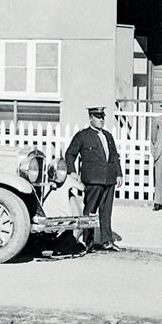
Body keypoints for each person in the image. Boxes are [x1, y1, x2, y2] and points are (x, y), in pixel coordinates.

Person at [64, 106, 123, 249]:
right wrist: (72, 172)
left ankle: (107, 241)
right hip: (93, 180)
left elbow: (115, 157)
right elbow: (70, 154)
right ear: (90, 118)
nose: (101, 119)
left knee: (106, 211)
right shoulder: (83, 136)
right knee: (90, 211)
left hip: (109, 179)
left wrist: (119, 173)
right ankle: (87, 241)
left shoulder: (108, 136)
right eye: (97, 117)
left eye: (102, 116)